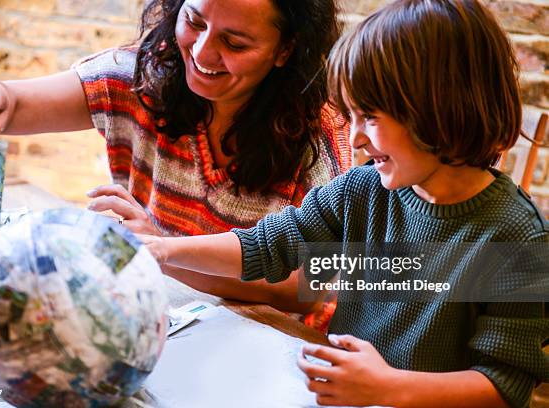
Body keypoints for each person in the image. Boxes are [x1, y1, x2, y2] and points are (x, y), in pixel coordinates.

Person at [138, 0, 548, 406]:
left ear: (442, 109)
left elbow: (503, 385)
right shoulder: (361, 191)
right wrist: (163, 250)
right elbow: (266, 246)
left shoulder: (518, 237)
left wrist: (389, 386)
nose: (355, 140)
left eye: (370, 117)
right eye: (350, 116)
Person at [0, 0, 350, 321]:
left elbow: (306, 285)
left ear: (285, 50)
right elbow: (17, 104)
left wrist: (165, 250)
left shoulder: (321, 135)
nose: (203, 52)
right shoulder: (143, 74)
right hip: (161, 308)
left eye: (235, 43)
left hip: (270, 341)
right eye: (195, 21)